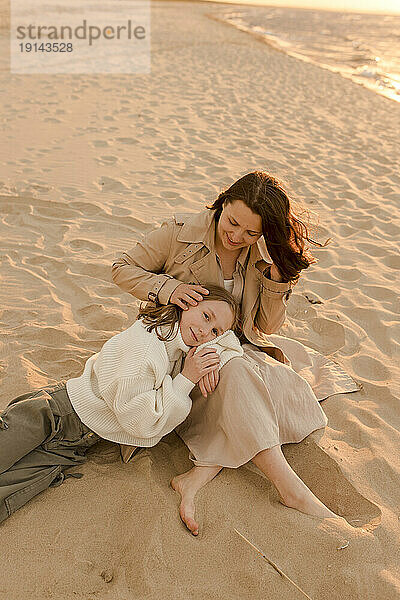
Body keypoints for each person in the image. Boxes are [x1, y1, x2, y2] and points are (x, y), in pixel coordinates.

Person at [112, 171, 359, 536]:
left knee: (259, 380)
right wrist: (168, 288)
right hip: (180, 355)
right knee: (243, 381)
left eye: (250, 232)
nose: (236, 236)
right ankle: (292, 491)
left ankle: (196, 477)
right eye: (232, 222)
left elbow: (269, 327)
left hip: (235, 349)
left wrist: (276, 279)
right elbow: (120, 269)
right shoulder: (178, 233)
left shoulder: (262, 255)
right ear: (222, 202)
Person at [0, 285, 242, 524]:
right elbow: (140, 422)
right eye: (206, 316)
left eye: (214, 331)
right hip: (56, 415)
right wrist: (186, 379)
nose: (204, 332)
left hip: (75, 442)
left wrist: (214, 351)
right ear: (187, 301)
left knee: (7, 497)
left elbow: (231, 343)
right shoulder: (147, 345)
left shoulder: (177, 340)